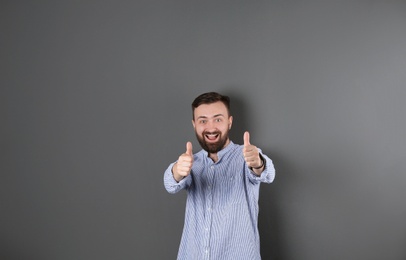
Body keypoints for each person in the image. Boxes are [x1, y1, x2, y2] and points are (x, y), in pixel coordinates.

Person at [163, 92, 275, 260]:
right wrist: (177, 171)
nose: (211, 127)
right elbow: (170, 184)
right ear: (194, 124)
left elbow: (266, 173)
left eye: (218, 119)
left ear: (229, 122)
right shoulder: (191, 162)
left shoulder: (246, 156)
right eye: (203, 120)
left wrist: (258, 163)